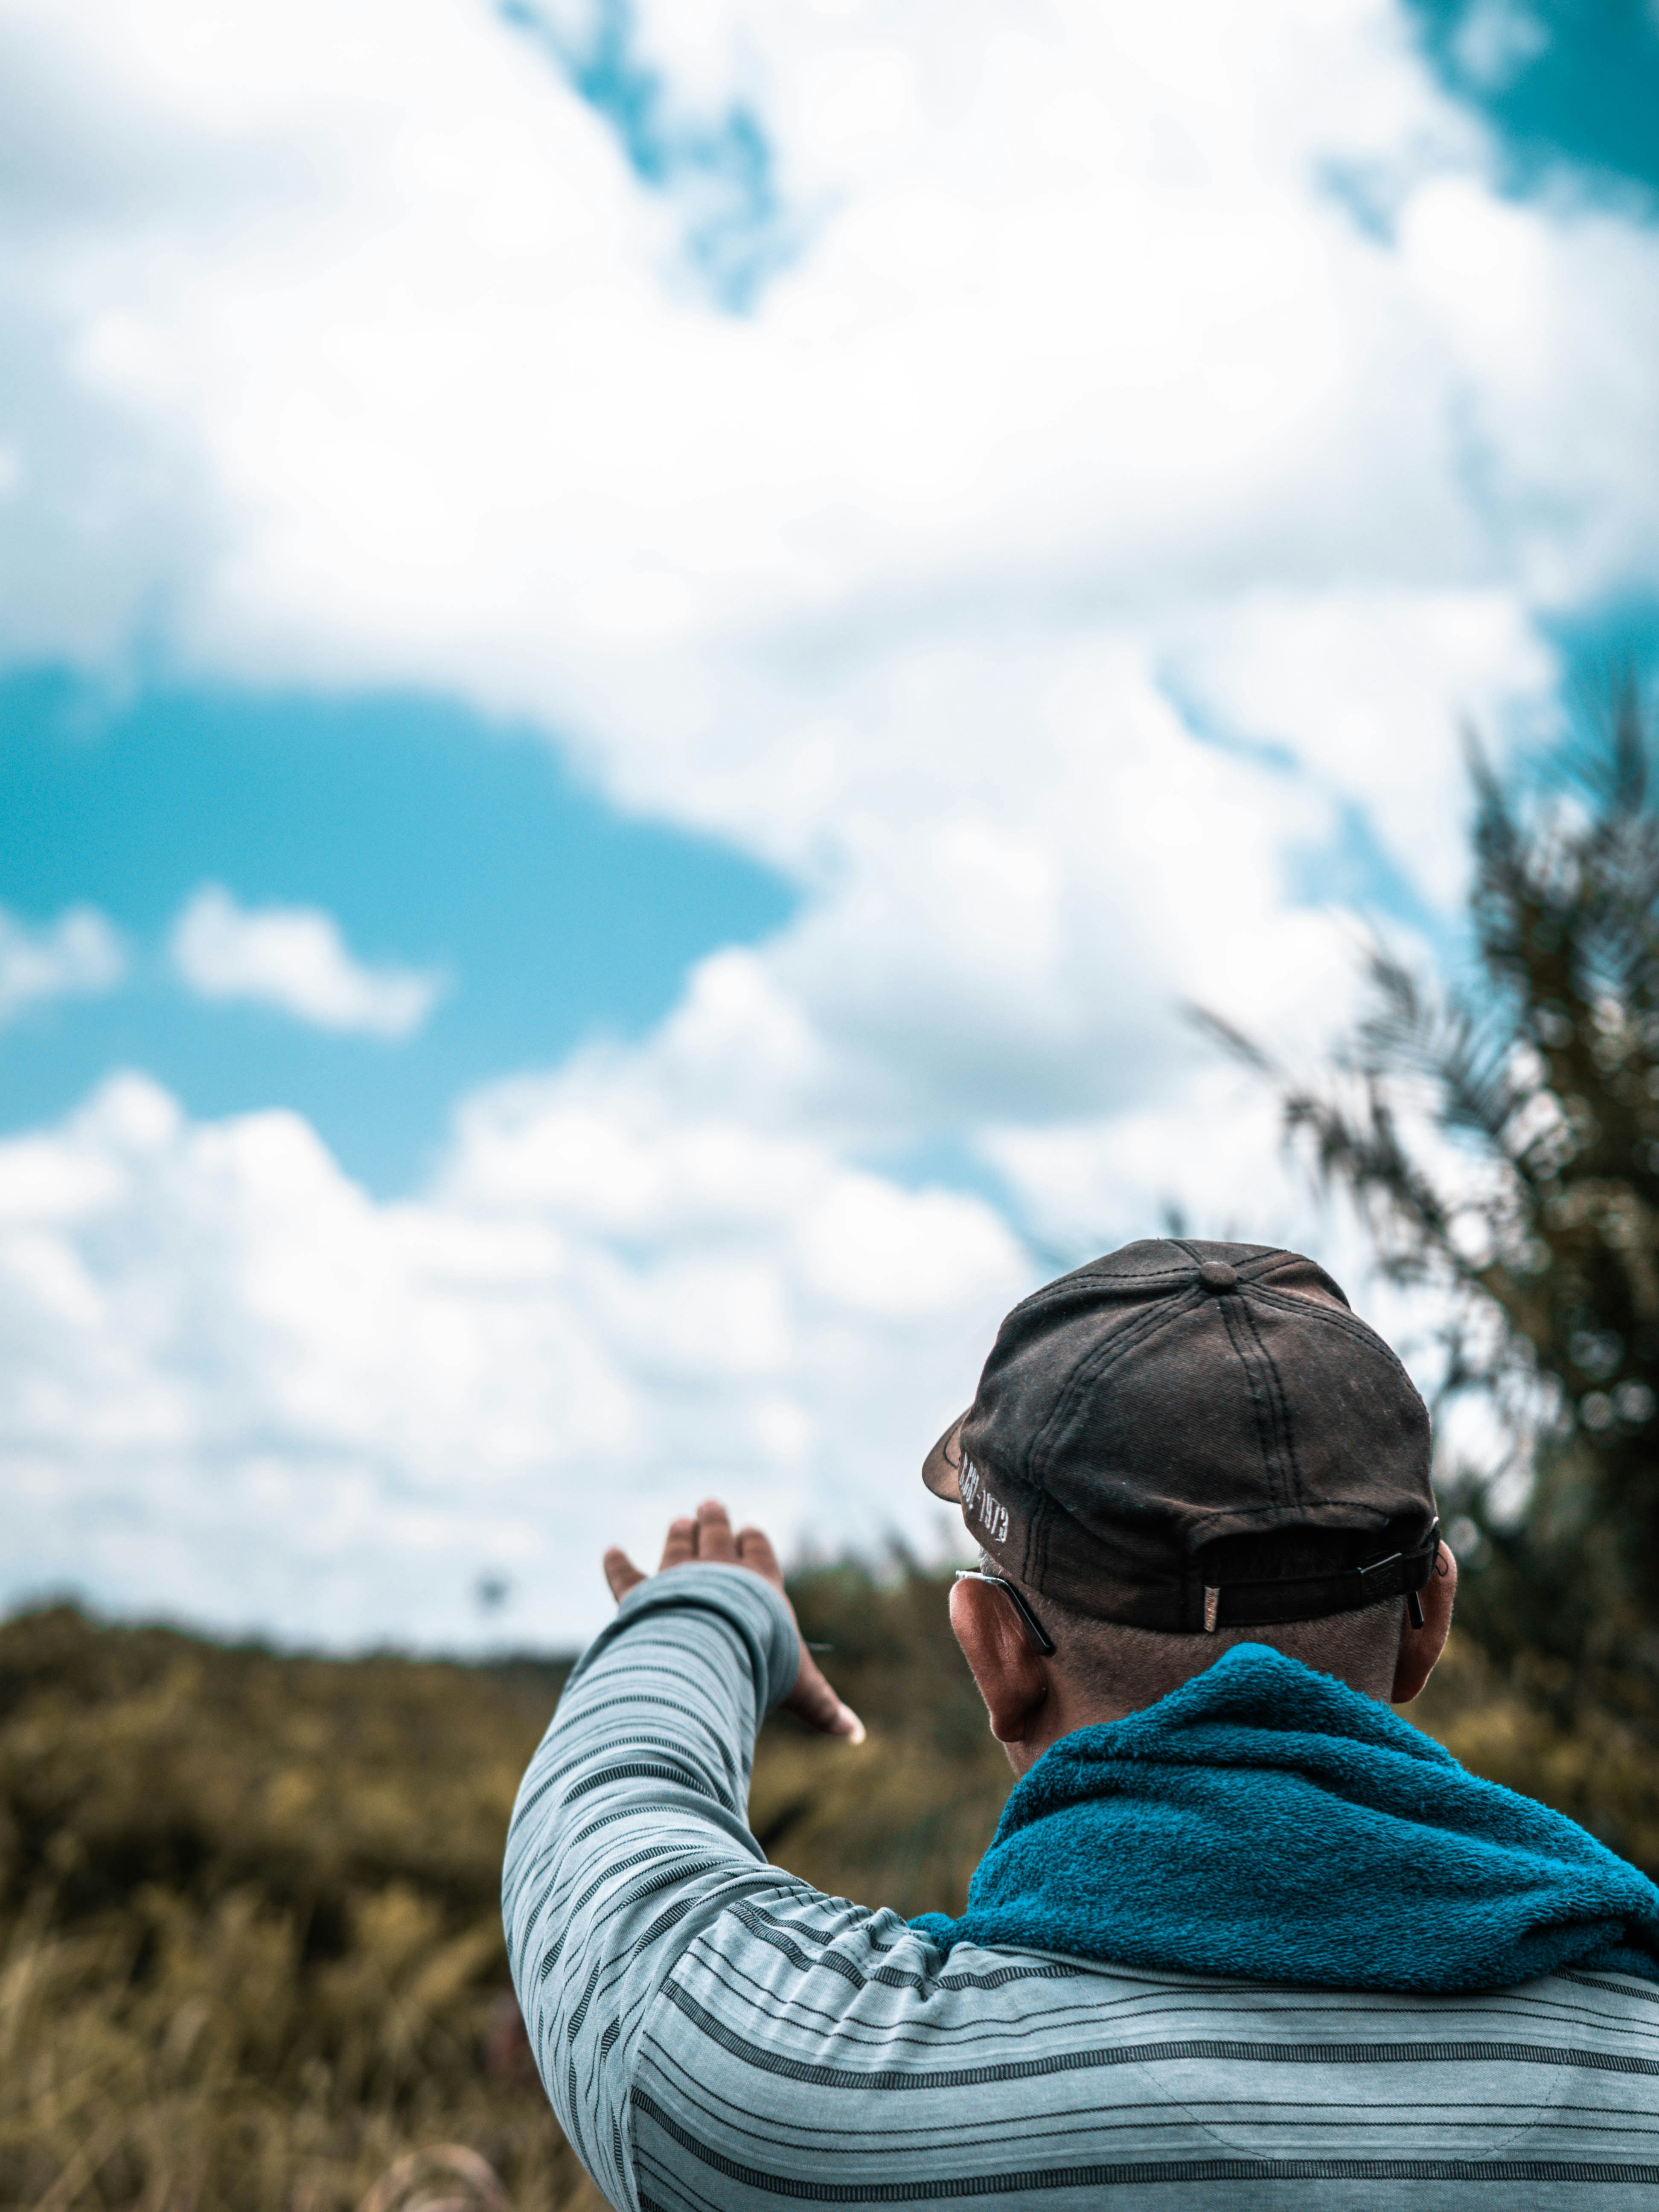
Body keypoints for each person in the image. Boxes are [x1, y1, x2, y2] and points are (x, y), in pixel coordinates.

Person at [503, 1240, 1659, 2210]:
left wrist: (710, 1615)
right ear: (1429, 1621)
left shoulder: (787, 2100)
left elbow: (610, 1835)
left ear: (994, 1653)